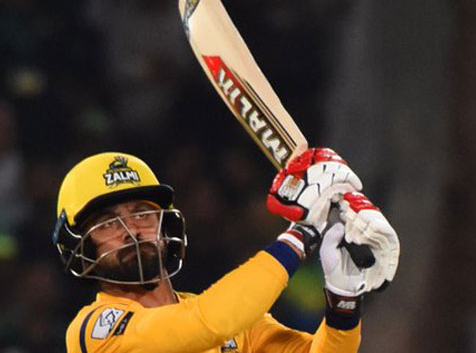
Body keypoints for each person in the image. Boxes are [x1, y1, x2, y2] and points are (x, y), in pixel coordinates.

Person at [52, 150, 399, 352]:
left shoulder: (239, 321)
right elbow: (209, 323)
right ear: (81, 244)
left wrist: (342, 302)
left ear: (164, 227)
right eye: (108, 223)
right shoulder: (93, 332)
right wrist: (302, 232)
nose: (131, 231)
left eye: (142, 213)